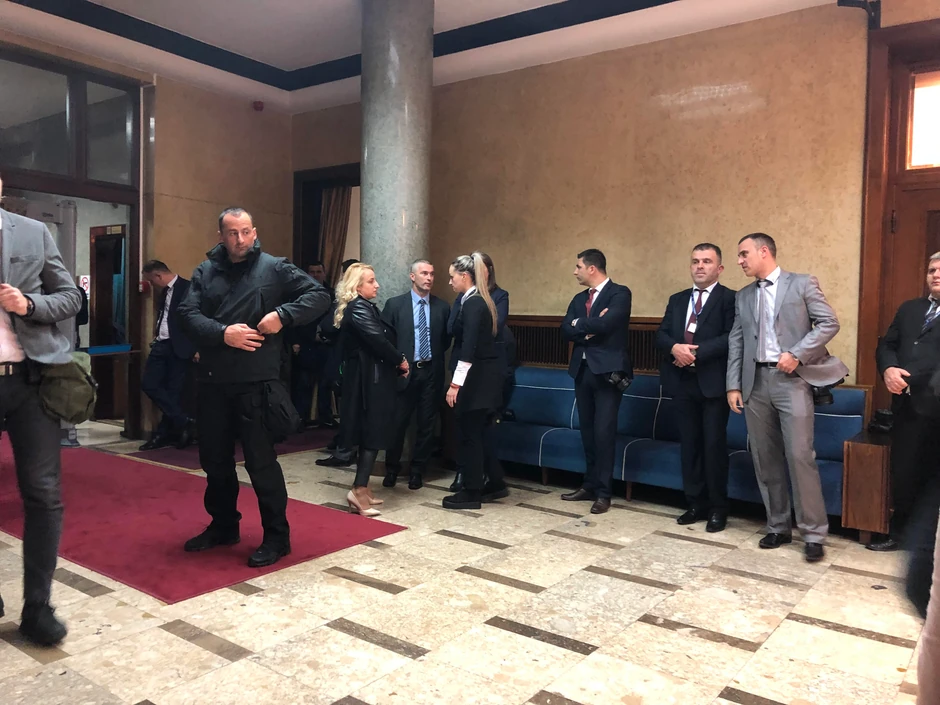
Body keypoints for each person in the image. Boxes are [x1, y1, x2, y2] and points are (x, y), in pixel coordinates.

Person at [178, 207, 330, 567]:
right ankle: (223, 525)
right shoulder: (205, 271)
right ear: (221, 236)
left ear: (255, 232)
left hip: (256, 382)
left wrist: (283, 315)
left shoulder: (275, 268)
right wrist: (222, 333)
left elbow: (320, 296)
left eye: (246, 231)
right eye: (233, 233)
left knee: (261, 464)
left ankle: (277, 537)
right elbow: (187, 314)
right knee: (215, 461)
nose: (240, 239)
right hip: (213, 381)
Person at [727, 233, 847, 562]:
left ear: (764, 251)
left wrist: (797, 353)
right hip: (754, 382)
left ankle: (813, 534)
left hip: (792, 381)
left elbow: (829, 323)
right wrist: (733, 385)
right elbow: (737, 341)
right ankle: (778, 526)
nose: (739, 261)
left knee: (799, 456)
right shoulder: (743, 296)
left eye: (744, 254)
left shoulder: (802, 283)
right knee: (765, 458)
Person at [0, 175, 83, 646]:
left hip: (30, 381)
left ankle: (38, 607)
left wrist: (29, 303)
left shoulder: (33, 232)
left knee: (43, 492)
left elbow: (72, 297)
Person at [656, 244, 736, 532]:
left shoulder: (730, 299)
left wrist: (695, 353)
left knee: (713, 447)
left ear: (719, 268)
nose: (700, 266)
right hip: (682, 382)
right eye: (695, 261)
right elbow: (662, 334)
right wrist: (675, 348)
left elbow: (731, 337)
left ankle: (718, 508)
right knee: (689, 446)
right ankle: (695, 503)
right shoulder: (677, 299)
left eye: (707, 261)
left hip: (712, 384)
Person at [871, 253, 940, 551]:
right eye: (932, 269)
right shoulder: (910, 308)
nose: (935, 274)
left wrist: (913, 378)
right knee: (905, 471)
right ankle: (899, 535)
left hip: (936, 406)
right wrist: (888, 369)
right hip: (907, 408)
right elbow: (887, 344)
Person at [560, 248, 632, 515]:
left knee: (604, 432)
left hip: (608, 373)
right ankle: (589, 484)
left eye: (578, 266)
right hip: (582, 371)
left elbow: (608, 325)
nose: (575, 271)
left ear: (592, 268)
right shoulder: (579, 298)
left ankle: (604, 492)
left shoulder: (619, 293)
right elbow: (565, 329)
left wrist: (580, 325)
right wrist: (587, 325)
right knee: (587, 431)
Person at [333, 263, 409, 516]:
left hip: (371, 377)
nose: (377, 285)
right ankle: (357, 491)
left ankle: (362, 488)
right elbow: (378, 340)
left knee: (373, 433)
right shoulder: (358, 309)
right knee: (371, 433)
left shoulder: (364, 307)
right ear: (357, 286)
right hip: (367, 381)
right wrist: (400, 360)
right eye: (371, 281)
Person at [443, 253, 507, 510]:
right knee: (479, 434)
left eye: (452, 277)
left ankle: (471, 491)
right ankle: (494, 483)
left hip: (475, 380)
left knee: (470, 435)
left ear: (464, 276)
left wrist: (455, 385)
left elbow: (468, 348)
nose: (450, 282)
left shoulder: (473, 304)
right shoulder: (480, 300)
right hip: (483, 378)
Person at [381, 259, 451, 489]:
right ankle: (391, 469)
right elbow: (386, 339)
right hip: (404, 372)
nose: (429, 278)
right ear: (412, 276)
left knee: (426, 424)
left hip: (431, 372)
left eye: (432, 274)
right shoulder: (395, 305)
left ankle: (418, 471)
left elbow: (445, 341)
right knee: (397, 423)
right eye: (424, 273)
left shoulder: (442, 308)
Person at [140, 260, 198, 450]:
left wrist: (197, 347)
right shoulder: (164, 292)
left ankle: (164, 434)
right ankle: (183, 421)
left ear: (158, 275)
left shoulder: (187, 288)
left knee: (173, 391)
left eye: (152, 280)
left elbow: (195, 319)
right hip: (161, 344)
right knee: (149, 384)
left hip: (180, 347)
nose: (152, 285)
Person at [317, 258, 363, 468]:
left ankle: (345, 450)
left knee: (348, 409)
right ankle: (344, 444)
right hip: (351, 361)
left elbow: (328, 326)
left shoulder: (348, 303)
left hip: (346, 362)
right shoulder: (361, 303)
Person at [288, 261, 335, 428]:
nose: (315, 275)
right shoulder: (299, 293)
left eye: (318, 271)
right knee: (303, 383)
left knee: (326, 383)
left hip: (327, 344)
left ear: (324, 273)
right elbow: (293, 319)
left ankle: (325, 417)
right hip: (305, 343)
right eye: (312, 272)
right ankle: (300, 419)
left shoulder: (332, 294)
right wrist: (294, 341)